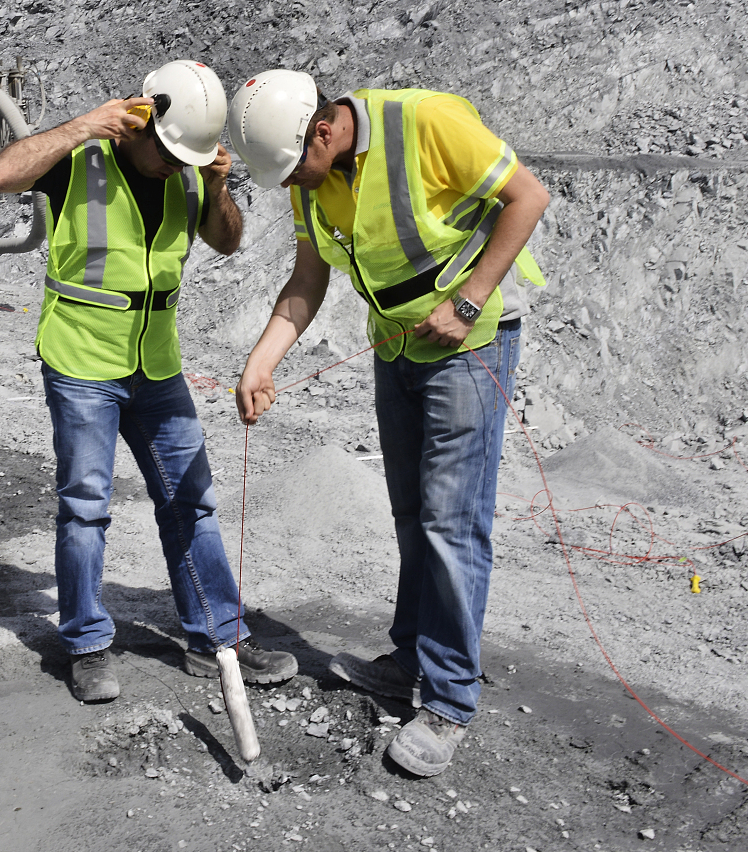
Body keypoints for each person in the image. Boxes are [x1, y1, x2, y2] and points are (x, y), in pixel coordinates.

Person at [227, 72, 550, 776]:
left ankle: (450, 699)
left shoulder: (425, 122)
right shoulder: (311, 177)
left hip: (470, 345)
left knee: (452, 524)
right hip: (397, 347)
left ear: (323, 131)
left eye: (294, 170)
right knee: (412, 515)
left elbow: (529, 196)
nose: (292, 185)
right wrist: (261, 362)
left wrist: (468, 301)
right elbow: (307, 281)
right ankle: (411, 659)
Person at [0, 60, 297, 704]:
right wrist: (82, 126)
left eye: (186, 157)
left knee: (192, 501)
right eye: (168, 151)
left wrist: (216, 187)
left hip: (156, 364)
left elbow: (228, 241)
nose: (173, 164)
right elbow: (3, 174)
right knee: (85, 508)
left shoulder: (188, 173)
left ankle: (217, 639)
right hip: (82, 361)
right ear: (139, 120)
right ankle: (87, 644)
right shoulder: (83, 158)